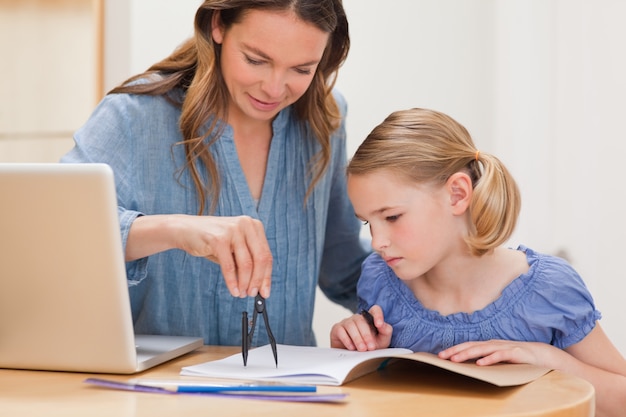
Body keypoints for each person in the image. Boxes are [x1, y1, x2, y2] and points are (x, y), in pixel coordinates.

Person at [61, 0, 369, 347]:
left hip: (291, 393)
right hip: (157, 394)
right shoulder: (133, 116)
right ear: (218, 26)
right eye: (256, 60)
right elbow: (57, 232)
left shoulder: (325, 119)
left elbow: (345, 266)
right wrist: (174, 229)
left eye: (301, 69)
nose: (274, 87)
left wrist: (430, 285)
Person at [330, 107, 626, 417]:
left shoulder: (549, 289)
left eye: (392, 217)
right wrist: (353, 356)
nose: (377, 242)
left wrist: (550, 360)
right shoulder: (380, 282)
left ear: (457, 194)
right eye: (368, 223)